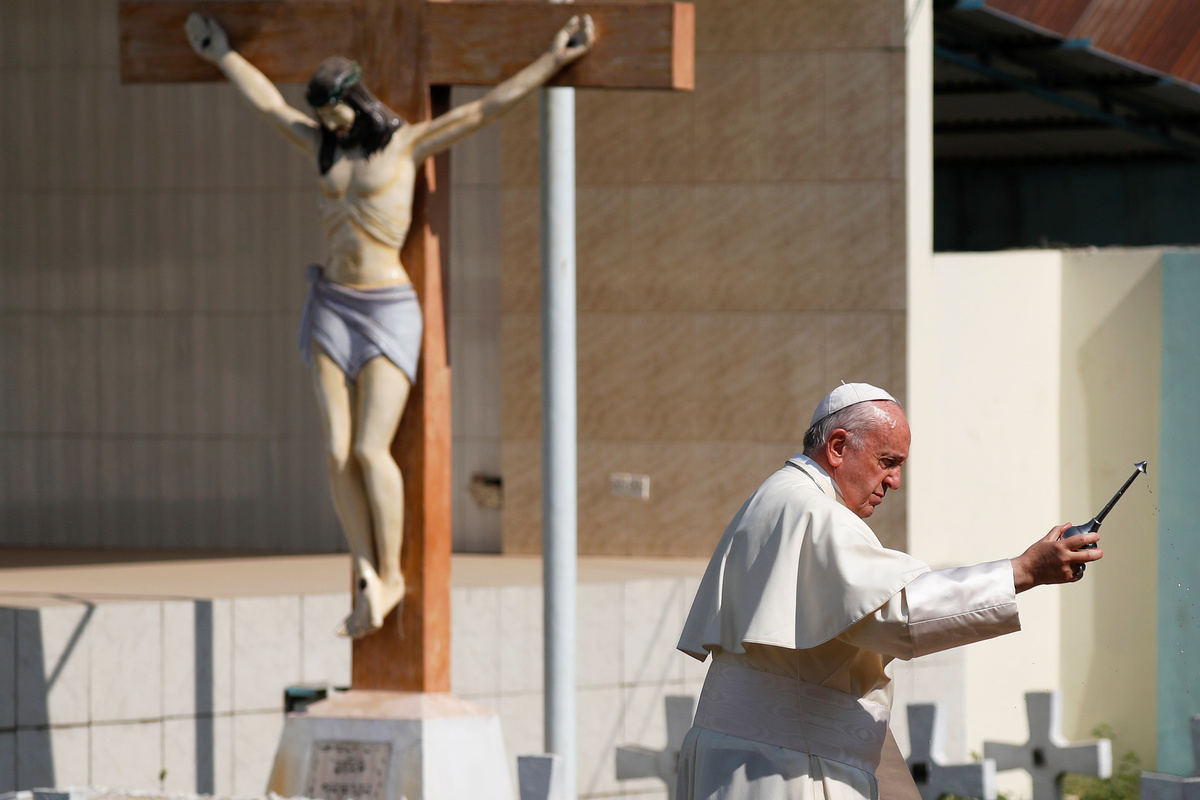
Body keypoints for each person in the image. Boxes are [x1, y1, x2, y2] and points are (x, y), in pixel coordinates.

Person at [184, 13, 595, 638]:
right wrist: (222, 55)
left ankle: (394, 576)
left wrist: (553, 59)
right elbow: (268, 105)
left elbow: (484, 110)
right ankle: (367, 571)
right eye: (322, 117)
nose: (330, 125)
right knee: (335, 449)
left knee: (369, 449)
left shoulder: (403, 145)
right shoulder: (320, 145)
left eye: (335, 114)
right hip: (330, 303)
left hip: (385, 307)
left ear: (355, 101)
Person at [675, 383, 1102, 800]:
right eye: (887, 462)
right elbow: (899, 613)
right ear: (838, 447)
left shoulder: (775, 498)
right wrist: (1024, 571)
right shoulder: (813, 511)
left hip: (750, 757)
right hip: (786, 769)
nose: (894, 481)